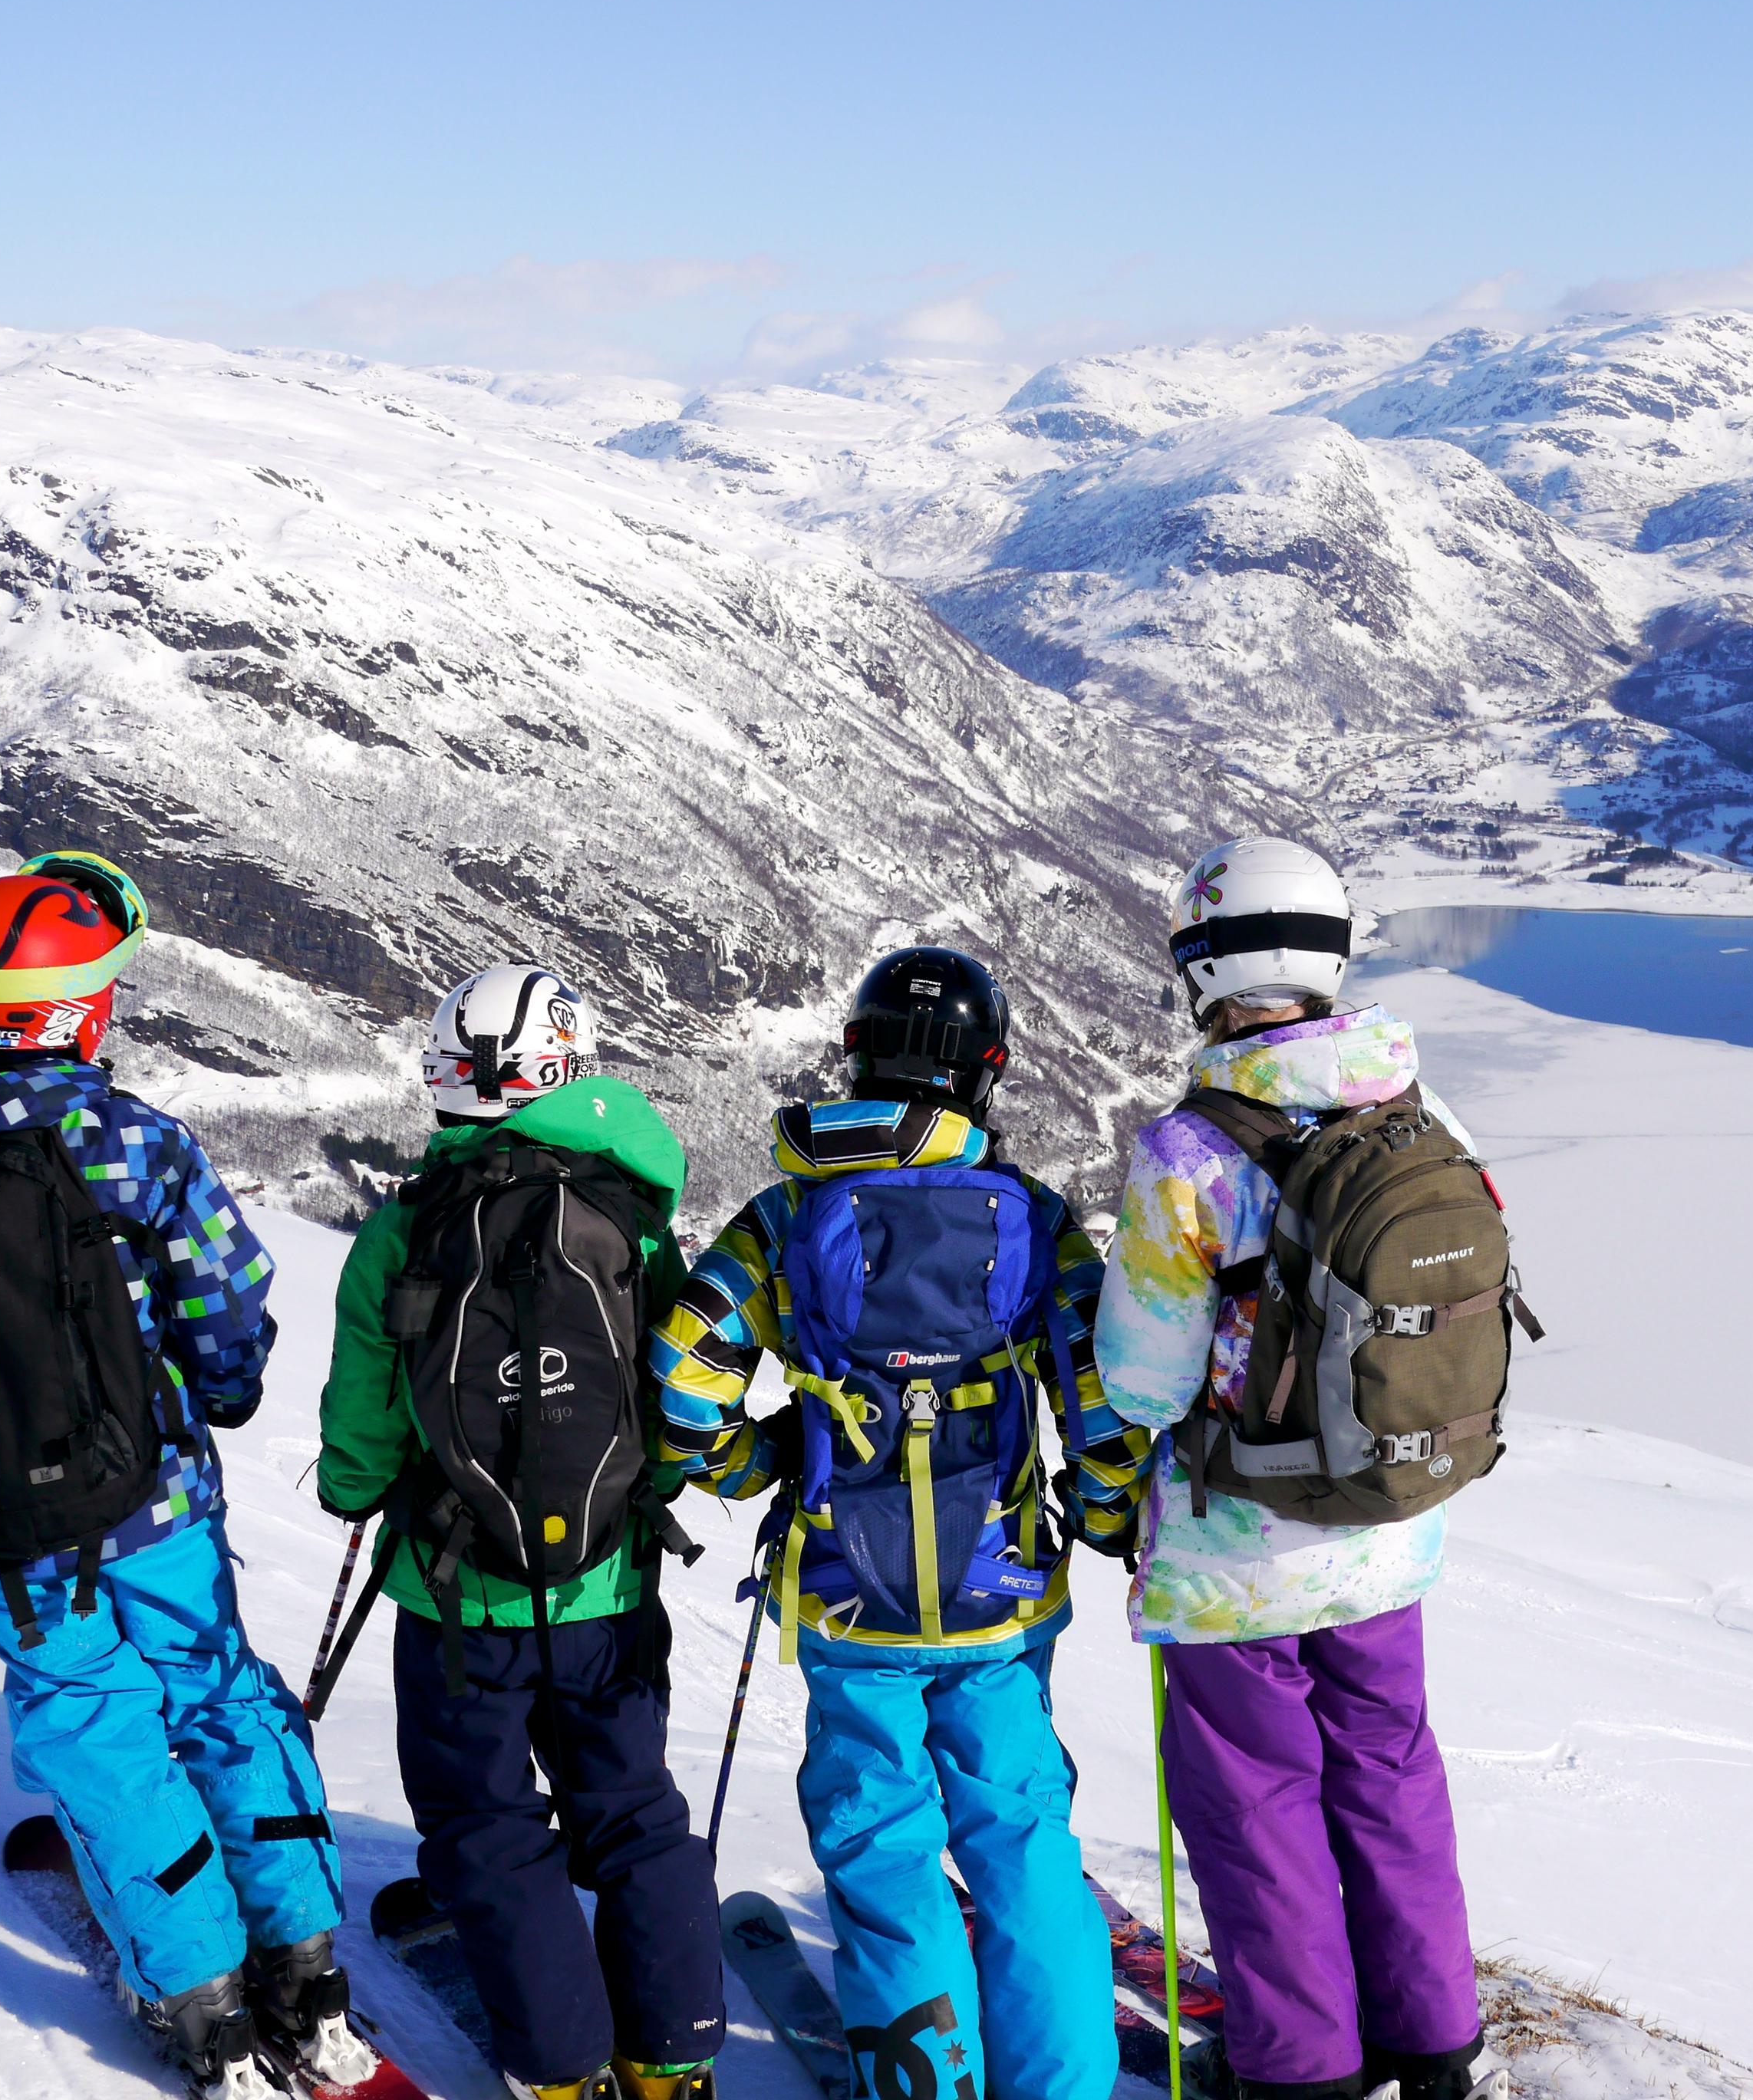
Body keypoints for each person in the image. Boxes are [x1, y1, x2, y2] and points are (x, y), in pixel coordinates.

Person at [0, 853, 363, 2100]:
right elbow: (232, 1312)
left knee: (94, 1730)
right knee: (219, 1697)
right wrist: (213, 1398)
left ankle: (199, 1997)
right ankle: (305, 1967)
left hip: (10, 1529)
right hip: (159, 1499)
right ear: (76, 1009)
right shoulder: (139, 1143)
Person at [647, 946, 1148, 2100]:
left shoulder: (788, 1217)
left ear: (857, 1057)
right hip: (1002, 1593)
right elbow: (1103, 1397)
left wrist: (745, 1459)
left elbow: (683, 1371)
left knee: (882, 1848)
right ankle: (1061, 2083)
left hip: (847, 1594)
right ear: (989, 1072)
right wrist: (1110, 1514)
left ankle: (928, 2081)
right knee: (1024, 1846)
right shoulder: (1028, 1219)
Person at [1094, 838, 1511, 2100]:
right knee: (1389, 1774)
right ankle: (1433, 2042)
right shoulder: (1423, 1107)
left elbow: (1145, 1382)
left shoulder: (1191, 1155)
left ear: (1207, 968)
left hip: (1240, 1562)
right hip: (1394, 1523)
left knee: (1258, 1807)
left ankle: (1304, 2069)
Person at [318, 965, 725, 2100]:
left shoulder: (407, 1227)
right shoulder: (632, 1218)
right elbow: (677, 1382)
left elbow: (360, 1409)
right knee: (634, 1810)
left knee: (487, 1822)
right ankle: (675, 2052)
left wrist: (355, 1493)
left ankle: (558, 2072)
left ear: (449, 1081)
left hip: (458, 1595)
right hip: (608, 1582)